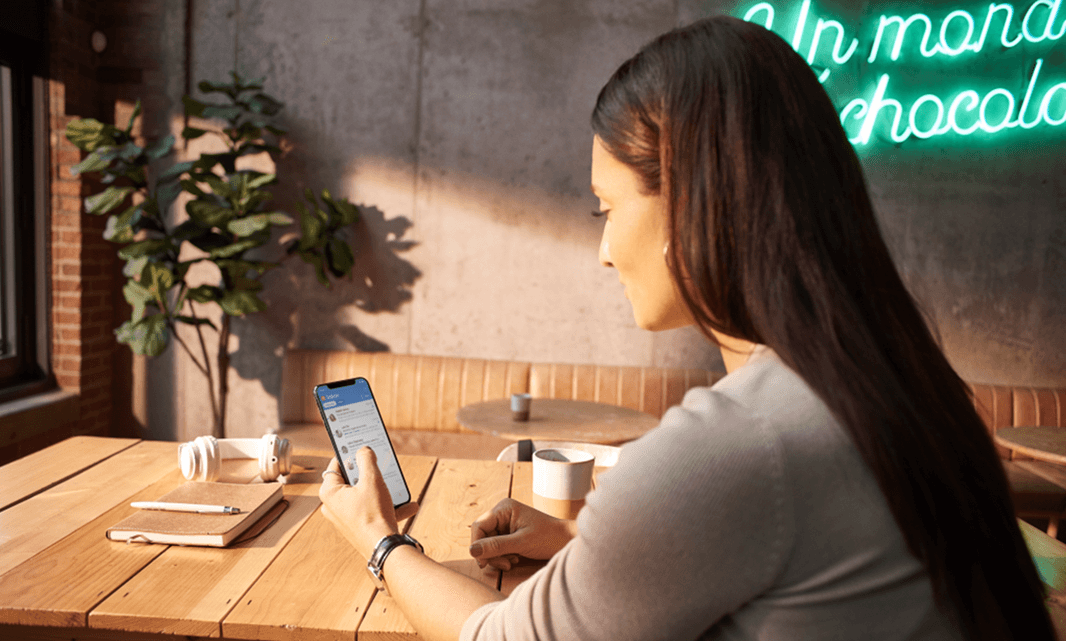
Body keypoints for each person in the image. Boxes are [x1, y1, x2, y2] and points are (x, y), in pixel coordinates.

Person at [319, 15, 1054, 641]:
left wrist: (378, 538)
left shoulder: (742, 441)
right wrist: (585, 545)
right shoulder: (899, 385)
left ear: (687, 203)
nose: (604, 252)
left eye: (606, 209)